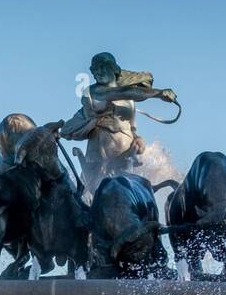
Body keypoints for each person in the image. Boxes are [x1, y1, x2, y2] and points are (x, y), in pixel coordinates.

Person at [59, 52, 178, 193]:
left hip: (125, 159)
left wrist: (137, 139)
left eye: (103, 67)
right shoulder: (94, 92)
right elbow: (123, 91)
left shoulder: (129, 102)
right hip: (99, 162)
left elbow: (131, 126)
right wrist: (157, 93)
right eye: (95, 69)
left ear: (115, 69)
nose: (98, 72)